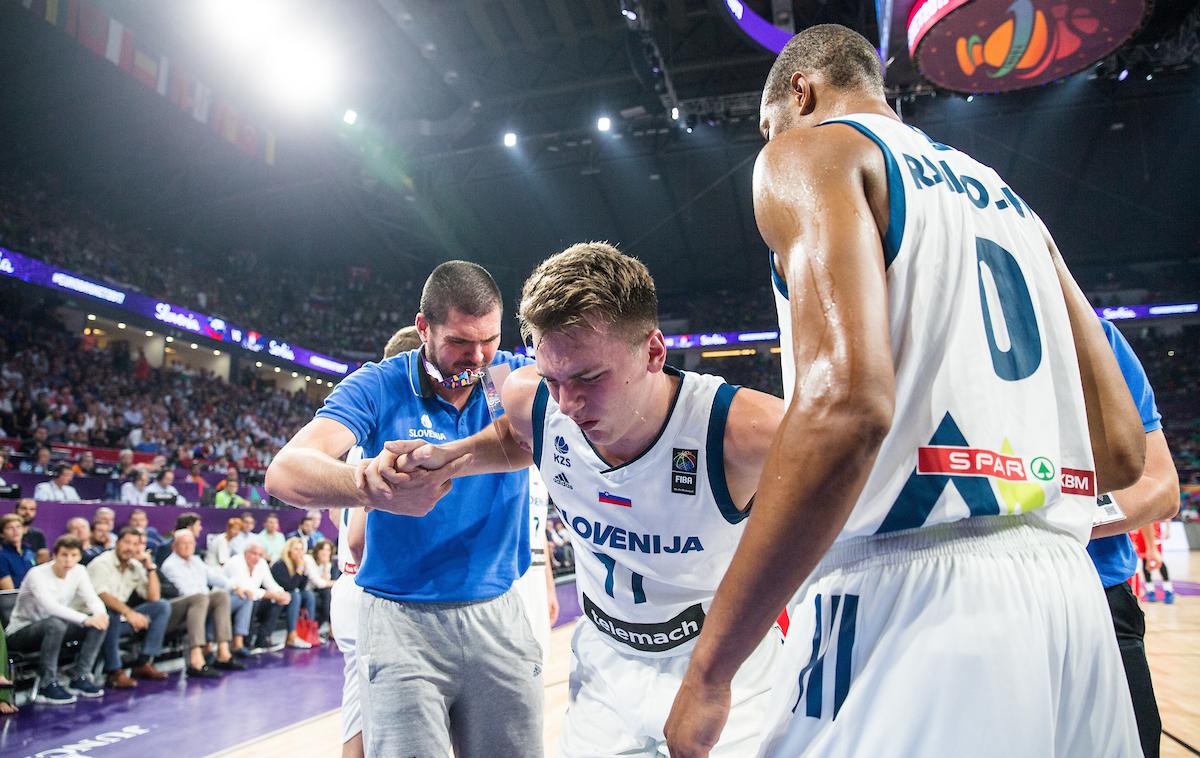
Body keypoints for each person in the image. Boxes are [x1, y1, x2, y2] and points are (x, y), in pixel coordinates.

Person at [662, 25, 1147, 757]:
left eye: (768, 128)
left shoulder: (808, 151)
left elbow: (846, 407)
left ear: (802, 92)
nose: (768, 144)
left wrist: (710, 670)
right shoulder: (1015, 204)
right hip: (1069, 603)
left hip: (917, 598)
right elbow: (1119, 448)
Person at [390, 245, 787, 755]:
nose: (568, 403)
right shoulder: (530, 399)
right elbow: (521, 438)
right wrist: (451, 457)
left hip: (722, 667)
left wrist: (712, 680)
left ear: (653, 352)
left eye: (588, 378)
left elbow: (851, 480)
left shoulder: (742, 429)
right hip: (605, 663)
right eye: (553, 378)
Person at [266, 261, 540, 757]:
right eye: (460, 342)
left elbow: (525, 442)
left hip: (498, 609)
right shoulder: (378, 384)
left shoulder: (504, 378)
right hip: (399, 620)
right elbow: (284, 471)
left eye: (489, 340)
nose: (476, 357)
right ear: (423, 328)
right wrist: (369, 486)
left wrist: (449, 462)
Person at [1084, 320, 1180, 758]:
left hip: (1101, 599)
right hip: (963, 597)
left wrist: (1059, 523)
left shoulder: (1094, 333)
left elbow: (1161, 488)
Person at [331, 322, 421, 758]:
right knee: (375, 724)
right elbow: (354, 536)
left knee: (358, 711)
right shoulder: (391, 433)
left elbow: (334, 509)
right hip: (366, 587)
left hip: (346, 586)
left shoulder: (363, 432)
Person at [5, 536, 108, 704]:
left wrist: (100, 615)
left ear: (79, 556)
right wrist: (84, 619)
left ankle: (80, 676)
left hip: (55, 627)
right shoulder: (36, 574)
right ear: (54, 555)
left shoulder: (79, 571)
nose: (68, 560)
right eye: (64, 555)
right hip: (21, 632)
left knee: (99, 624)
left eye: (73, 555)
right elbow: (50, 607)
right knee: (57, 623)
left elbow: (92, 598)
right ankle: (47, 684)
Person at [87, 527, 171, 689]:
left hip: (120, 618)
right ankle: (114, 672)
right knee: (110, 614)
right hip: (92, 620)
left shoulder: (135, 566)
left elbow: (153, 597)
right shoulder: (102, 563)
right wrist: (129, 613)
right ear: (117, 543)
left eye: (135, 544)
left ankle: (144, 662)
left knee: (161, 607)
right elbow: (101, 594)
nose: (130, 548)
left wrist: (150, 567)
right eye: (126, 542)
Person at [161, 529, 249, 674]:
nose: (188, 546)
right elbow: (185, 592)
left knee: (221, 595)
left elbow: (215, 577)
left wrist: (235, 586)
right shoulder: (170, 565)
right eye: (183, 543)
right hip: (177, 609)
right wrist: (207, 600)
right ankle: (196, 660)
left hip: (199, 604)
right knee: (200, 597)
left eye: (190, 543)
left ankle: (223, 653)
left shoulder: (196, 560)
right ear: (174, 546)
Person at [512, 468, 558, 670]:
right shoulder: (501, 465)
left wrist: (550, 589)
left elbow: (541, 539)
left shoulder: (542, 470)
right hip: (512, 582)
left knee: (539, 663)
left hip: (537, 578)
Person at [224, 542, 292, 651]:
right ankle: (246, 642)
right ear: (246, 553)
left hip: (252, 598)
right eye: (254, 554)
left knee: (278, 601)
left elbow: (271, 583)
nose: (257, 557)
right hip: (232, 600)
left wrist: (281, 593)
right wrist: (273, 595)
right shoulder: (235, 562)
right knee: (251, 600)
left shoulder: (261, 563)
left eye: (260, 554)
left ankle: (263, 639)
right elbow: (246, 590)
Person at [271, 536, 316, 649]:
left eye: (301, 549)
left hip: (292, 595)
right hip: (278, 597)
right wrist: (299, 569)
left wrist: (304, 571)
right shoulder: (279, 565)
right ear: (289, 550)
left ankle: (309, 632)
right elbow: (290, 587)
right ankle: (292, 636)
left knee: (309, 595)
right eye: (296, 549)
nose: (299, 552)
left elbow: (301, 587)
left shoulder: (299, 564)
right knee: (295, 595)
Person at [1136, 522, 1175, 604]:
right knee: (1145, 560)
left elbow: (1167, 514)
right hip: (1139, 528)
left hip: (1154, 528)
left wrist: (1167, 529)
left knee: (1158, 560)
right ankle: (1150, 590)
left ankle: (1168, 590)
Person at [304, 539, 335, 631]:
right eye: (323, 549)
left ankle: (326, 628)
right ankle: (314, 629)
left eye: (328, 550)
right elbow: (319, 583)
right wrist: (336, 583)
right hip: (305, 589)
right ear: (317, 550)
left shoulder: (327, 563)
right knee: (326, 594)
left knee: (328, 593)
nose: (325, 553)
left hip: (316, 590)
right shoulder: (308, 559)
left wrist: (325, 565)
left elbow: (326, 581)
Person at [0, 514, 36, 589]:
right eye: (10, 527)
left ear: (23, 530)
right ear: (2, 534)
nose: (15, 530)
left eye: (18, 527)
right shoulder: (2, 556)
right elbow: (9, 593)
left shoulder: (29, 552)